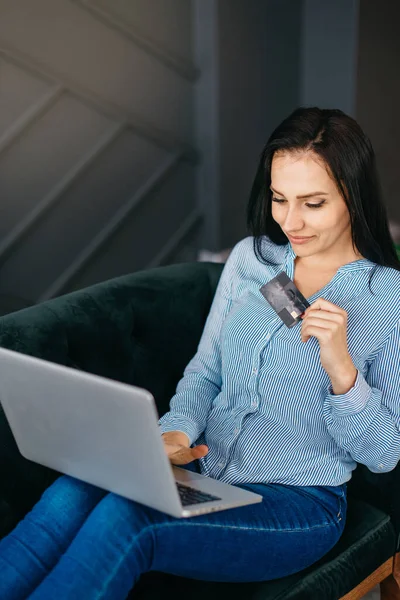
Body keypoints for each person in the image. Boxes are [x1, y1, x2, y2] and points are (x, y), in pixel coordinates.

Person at [1, 106, 400, 600]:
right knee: (75, 488)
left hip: (299, 505)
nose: (290, 221)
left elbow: (385, 455)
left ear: (352, 197)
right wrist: (173, 434)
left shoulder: (385, 298)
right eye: (279, 199)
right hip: (206, 474)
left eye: (313, 203)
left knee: (129, 518)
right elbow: (206, 370)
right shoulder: (252, 261)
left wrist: (342, 370)